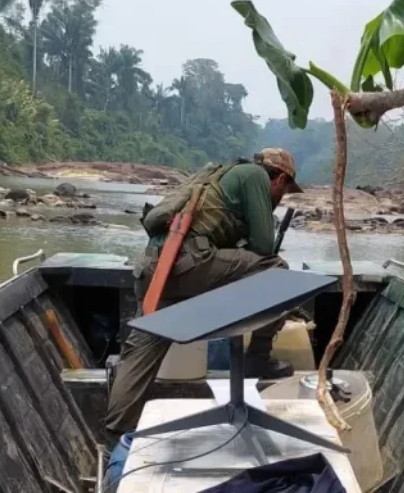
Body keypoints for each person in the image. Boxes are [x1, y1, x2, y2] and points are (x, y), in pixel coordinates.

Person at [103, 148, 304, 442]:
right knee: (277, 272)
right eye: (284, 191)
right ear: (280, 178)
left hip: (154, 268)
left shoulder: (219, 176)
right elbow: (263, 246)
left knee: (141, 351)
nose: (280, 198)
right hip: (189, 264)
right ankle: (258, 358)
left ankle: (116, 434)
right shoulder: (255, 175)